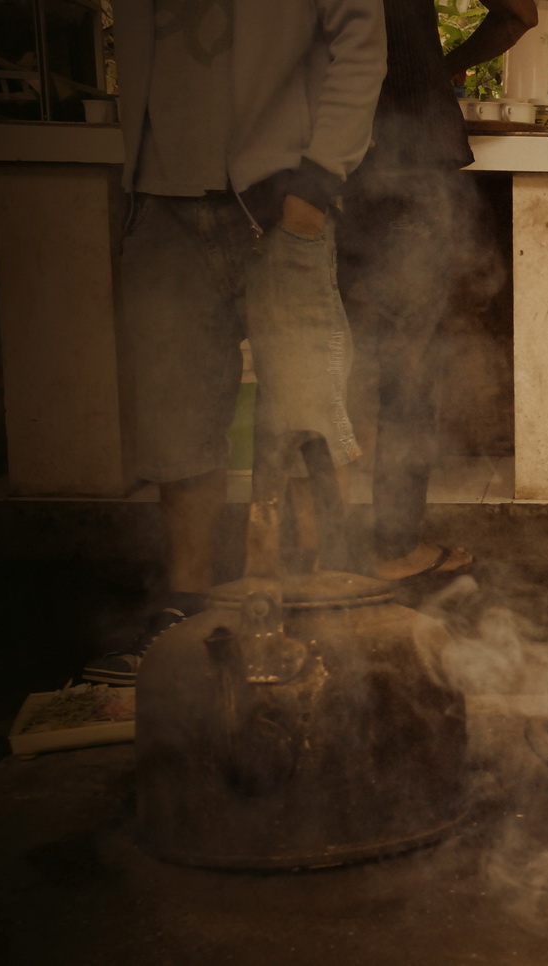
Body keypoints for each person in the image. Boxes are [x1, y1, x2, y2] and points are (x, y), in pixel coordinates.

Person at [83, 0, 387, 685]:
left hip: (280, 195)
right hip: (160, 195)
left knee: (308, 406)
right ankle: (184, 608)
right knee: (177, 411)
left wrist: (317, 182)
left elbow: (363, 41)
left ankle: (319, 603)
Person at [338, 0, 536, 584]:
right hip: (410, 157)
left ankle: (316, 550)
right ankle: (393, 546)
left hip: (315, 165)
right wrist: (438, 63)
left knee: (319, 357)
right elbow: (517, 14)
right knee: (408, 368)